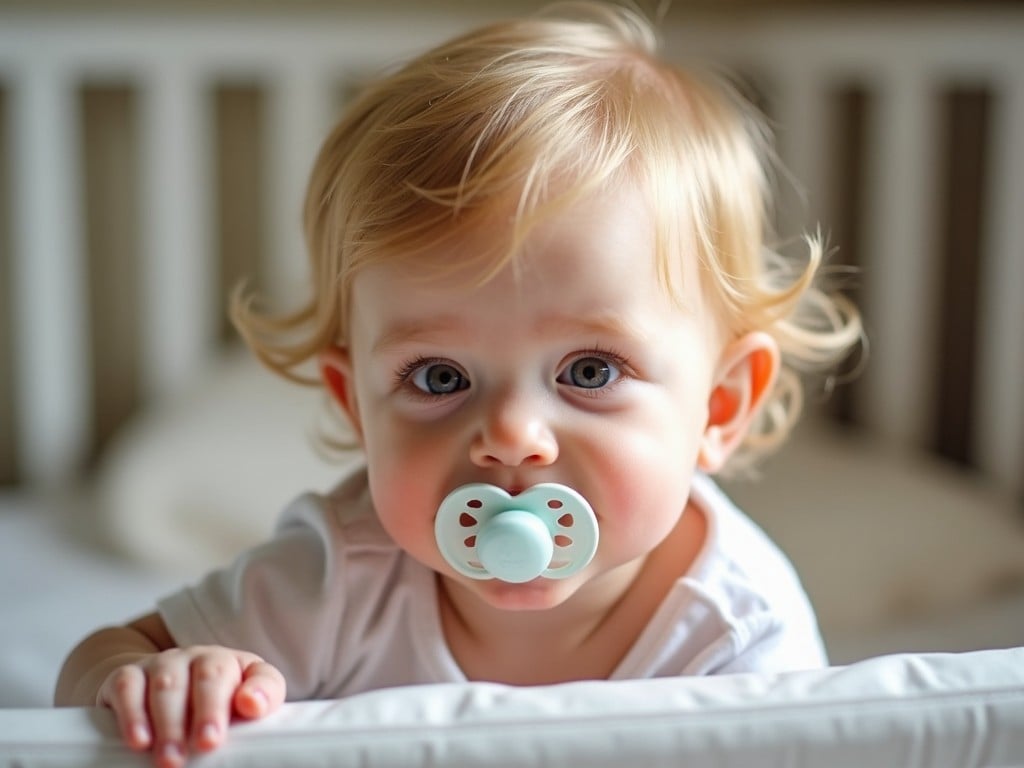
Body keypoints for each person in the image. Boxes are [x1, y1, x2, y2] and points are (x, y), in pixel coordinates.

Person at [55, 2, 861, 766]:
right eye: (439, 376)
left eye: (589, 371)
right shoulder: (343, 575)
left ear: (719, 406)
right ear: (356, 407)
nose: (511, 434)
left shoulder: (741, 638)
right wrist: (156, 685)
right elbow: (101, 660)